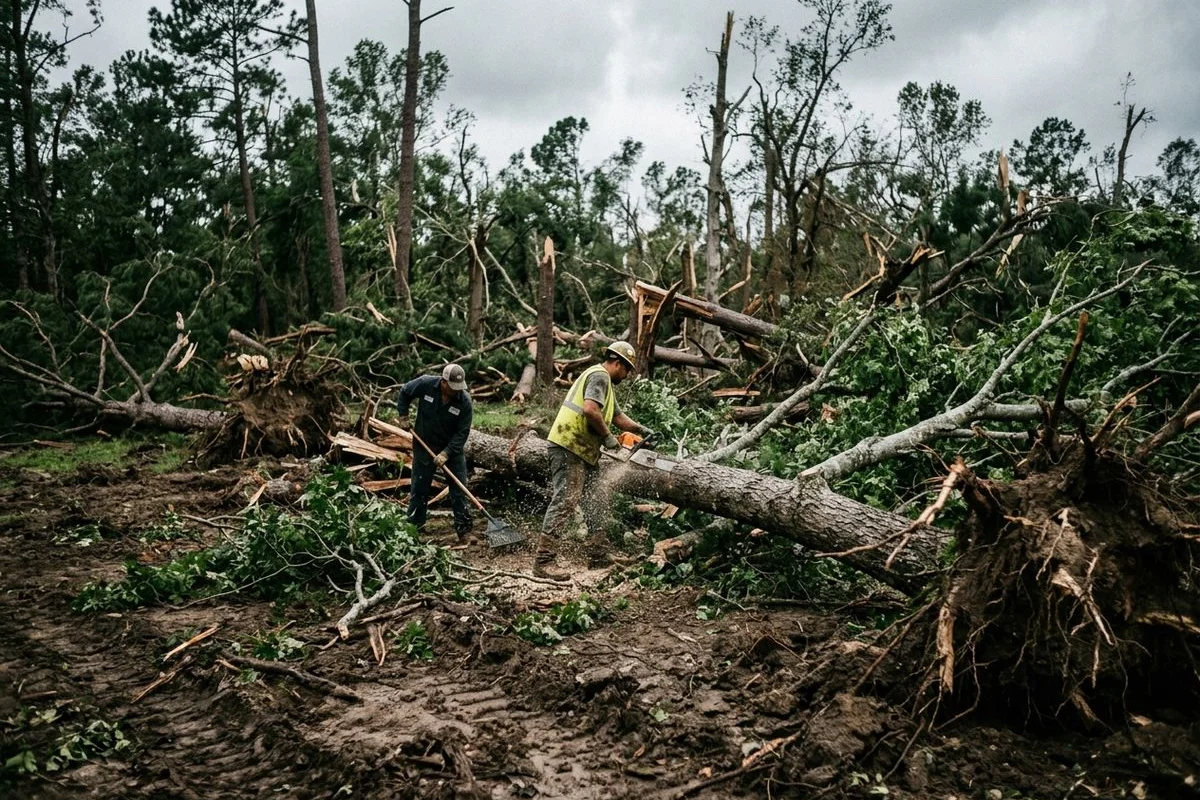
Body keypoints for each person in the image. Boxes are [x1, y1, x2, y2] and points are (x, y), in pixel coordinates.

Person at [533, 341, 653, 580]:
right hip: (569, 445)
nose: (626, 376)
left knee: (595, 498)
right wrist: (608, 437)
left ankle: (598, 553)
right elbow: (590, 410)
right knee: (566, 500)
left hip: (583, 450)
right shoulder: (600, 376)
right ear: (618, 364)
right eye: (627, 370)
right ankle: (543, 561)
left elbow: (617, 416)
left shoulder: (604, 382)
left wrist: (641, 430)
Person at [396, 363, 474, 538]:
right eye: (453, 387)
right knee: (420, 486)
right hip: (424, 444)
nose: (456, 391)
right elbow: (405, 392)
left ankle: (464, 529)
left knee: (459, 488)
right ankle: (415, 528)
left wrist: (446, 453)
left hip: (452, 450)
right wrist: (403, 415)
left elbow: (462, 434)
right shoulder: (425, 384)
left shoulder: (464, 402)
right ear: (443, 382)